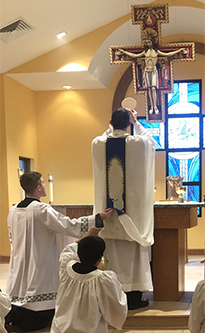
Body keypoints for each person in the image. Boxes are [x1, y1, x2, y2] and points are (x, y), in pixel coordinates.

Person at [5, 171, 113, 331]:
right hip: (39, 259)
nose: (44, 185)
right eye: (42, 183)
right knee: (39, 283)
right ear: (37, 188)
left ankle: (18, 316)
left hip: (19, 259)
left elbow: (12, 237)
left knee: (21, 288)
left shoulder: (13, 210)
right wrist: (98, 218)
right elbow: (68, 225)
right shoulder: (41, 210)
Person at [92, 107, 156, 310]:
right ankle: (134, 299)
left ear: (110, 123)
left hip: (108, 216)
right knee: (133, 257)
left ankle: (113, 296)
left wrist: (111, 127)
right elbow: (151, 143)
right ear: (128, 123)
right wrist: (137, 123)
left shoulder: (98, 143)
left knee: (113, 257)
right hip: (133, 217)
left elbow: (104, 137)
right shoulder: (139, 143)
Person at [50, 228, 127, 333]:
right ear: (100, 259)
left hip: (60, 329)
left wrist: (88, 236)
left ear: (78, 253)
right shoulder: (103, 280)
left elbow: (69, 249)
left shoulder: (66, 266)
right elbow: (116, 308)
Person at [118, 28, 187, 115]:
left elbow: (168, 54)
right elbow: (135, 55)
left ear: (152, 42)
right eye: (146, 42)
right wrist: (124, 52)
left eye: (148, 42)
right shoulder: (145, 52)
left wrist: (179, 51)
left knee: (154, 88)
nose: (147, 44)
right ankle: (151, 106)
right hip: (147, 71)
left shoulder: (156, 52)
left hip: (154, 70)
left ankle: (155, 106)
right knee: (149, 88)